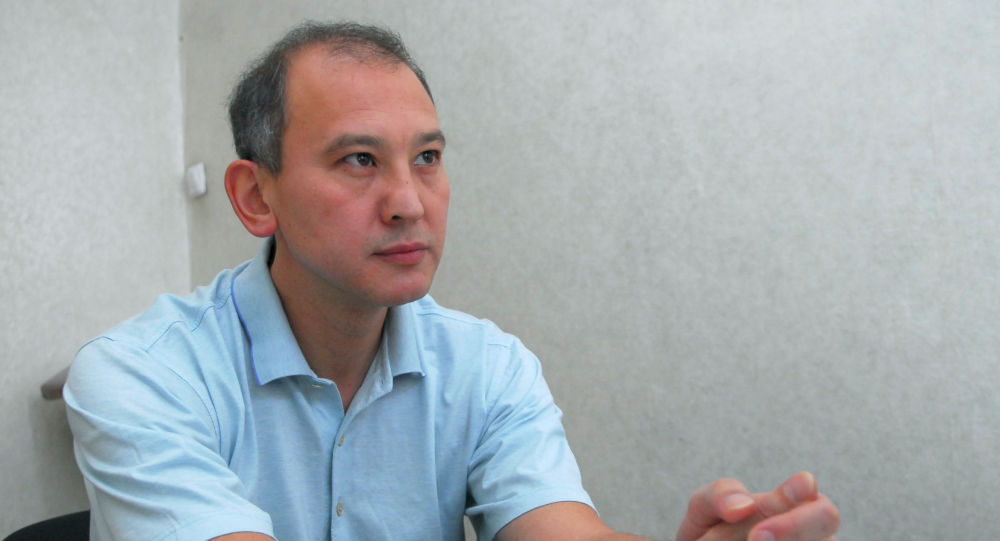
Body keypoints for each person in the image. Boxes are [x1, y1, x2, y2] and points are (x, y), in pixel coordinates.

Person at [64, 21, 840, 541]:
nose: (409, 201)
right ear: (255, 195)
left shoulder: (487, 368)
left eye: (427, 158)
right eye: (359, 160)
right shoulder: (139, 376)